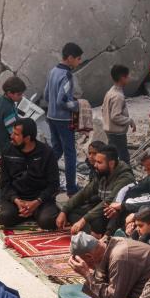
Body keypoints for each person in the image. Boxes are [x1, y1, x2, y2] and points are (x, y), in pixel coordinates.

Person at [0, 118, 60, 230]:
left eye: (16, 134)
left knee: (48, 221)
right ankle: (29, 213)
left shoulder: (46, 153)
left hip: (40, 199)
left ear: (27, 138)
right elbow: (4, 183)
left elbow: (54, 185)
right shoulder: (7, 151)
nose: (11, 137)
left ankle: (35, 212)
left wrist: (37, 202)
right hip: (17, 199)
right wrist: (16, 200)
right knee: (5, 218)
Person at [59, 145, 136, 235]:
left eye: (99, 162)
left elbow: (108, 202)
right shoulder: (102, 173)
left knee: (95, 222)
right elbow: (84, 193)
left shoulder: (125, 178)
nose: (95, 165)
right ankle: (90, 234)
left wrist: (83, 220)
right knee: (71, 212)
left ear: (111, 163)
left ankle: (94, 235)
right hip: (101, 212)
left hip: (115, 216)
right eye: (95, 162)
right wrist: (64, 210)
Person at [44, 42, 83, 196]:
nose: (79, 62)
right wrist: (76, 104)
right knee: (70, 154)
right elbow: (62, 100)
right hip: (63, 120)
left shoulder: (53, 71)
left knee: (56, 150)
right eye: (78, 59)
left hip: (51, 116)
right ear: (70, 58)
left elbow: (47, 95)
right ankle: (72, 188)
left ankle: (45, 177)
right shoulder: (67, 75)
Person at [104, 65, 137, 164]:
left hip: (110, 130)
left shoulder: (110, 92)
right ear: (123, 78)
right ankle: (125, 177)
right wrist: (129, 120)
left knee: (112, 156)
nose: (129, 78)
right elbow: (115, 116)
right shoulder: (118, 96)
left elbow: (103, 109)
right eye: (128, 76)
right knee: (123, 158)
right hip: (117, 133)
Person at [0, 76, 24, 155]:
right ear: (9, 93)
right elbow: (13, 131)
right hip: (5, 142)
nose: (21, 96)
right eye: (19, 94)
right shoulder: (8, 109)